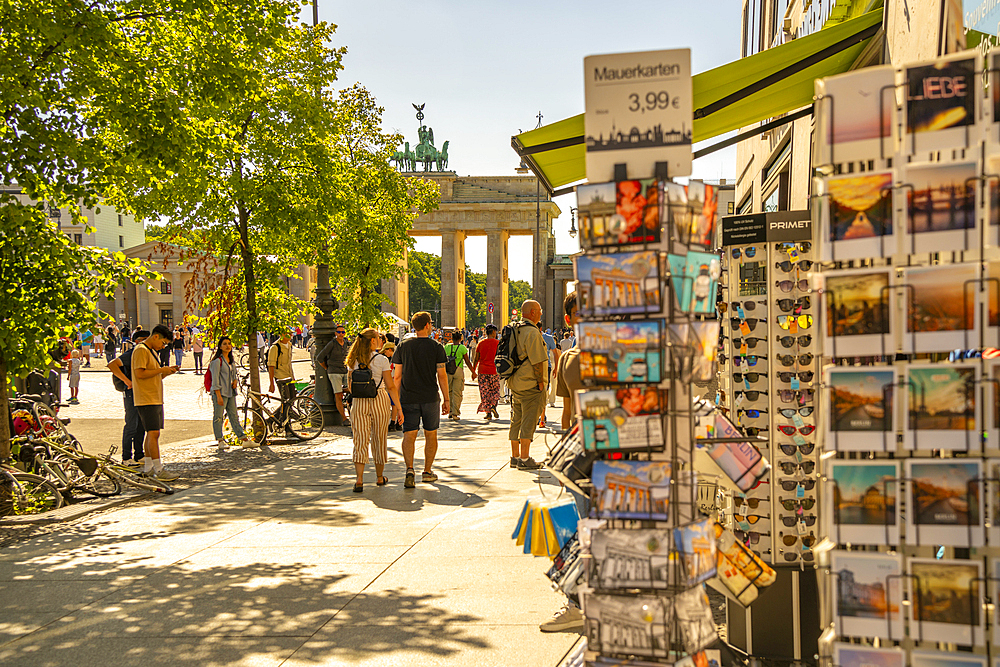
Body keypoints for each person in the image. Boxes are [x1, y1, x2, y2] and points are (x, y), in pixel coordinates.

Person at [391, 311, 449, 489]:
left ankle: (409, 469)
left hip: (408, 397)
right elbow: (442, 375)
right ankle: (427, 471)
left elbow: (397, 377)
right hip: (430, 397)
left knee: (409, 434)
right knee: (431, 435)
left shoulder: (403, 346)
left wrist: (397, 404)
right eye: (430, 323)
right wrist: (447, 399)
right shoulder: (436, 346)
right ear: (427, 325)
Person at [347, 329, 403, 492]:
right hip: (379, 399)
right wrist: (399, 408)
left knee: (360, 439)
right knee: (379, 438)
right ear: (372, 341)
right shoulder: (382, 360)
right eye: (378, 338)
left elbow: (351, 386)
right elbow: (390, 386)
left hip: (359, 402)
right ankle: (379, 477)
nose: (380, 340)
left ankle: (359, 480)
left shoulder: (353, 360)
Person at [130, 324, 180, 481]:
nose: (163, 347)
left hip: (154, 397)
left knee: (151, 433)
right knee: (153, 433)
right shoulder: (141, 350)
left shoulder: (151, 352)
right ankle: (159, 469)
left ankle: (148, 468)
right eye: (163, 343)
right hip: (147, 398)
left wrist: (166, 372)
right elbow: (139, 373)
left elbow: (152, 375)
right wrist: (161, 370)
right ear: (156, 336)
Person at [507, 300, 548, 470]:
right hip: (530, 383)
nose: (541, 313)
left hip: (515, 382)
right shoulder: (532, 332)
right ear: (532, 312)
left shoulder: (514, 328)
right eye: (539, 310)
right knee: (529, 420)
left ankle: (515, 457)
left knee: (516, 419)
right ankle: (525, 458)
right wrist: (540, 382)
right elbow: (537, 361)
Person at [107, 329, 150, 466]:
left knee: (141, 425)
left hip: (141, 392)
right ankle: (126, 457)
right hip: (131, 393)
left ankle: (139, 454)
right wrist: (127, 381)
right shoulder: (131, 353)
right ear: (138, 341)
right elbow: (112, 365)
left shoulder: (145, 353)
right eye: (145, 339)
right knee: (131, 424)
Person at [208, 337, 250, 453]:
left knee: (234, 416)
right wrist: (218, 395)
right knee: (218, 417)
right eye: (225, 344)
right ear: (220, 346)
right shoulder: (217, 361)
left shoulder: (231, 361)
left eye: (229, 344)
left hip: (230, 392)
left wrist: (235, 380)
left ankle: (243, 438)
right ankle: (220, 440)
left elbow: (233, 375)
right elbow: (215, 380)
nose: (228, 346)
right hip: (220, 393)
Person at [553, 293, 582, 431]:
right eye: (579, 313)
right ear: (568, 319)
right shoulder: (565, 360)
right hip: (580, 444)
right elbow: (567, 412)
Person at [316, 324, 351, 427]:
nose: (341, 334)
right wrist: (327, 368)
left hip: (345, 371)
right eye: (339, 332)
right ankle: (344, 418)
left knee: (351, 389)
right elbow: (320, 357)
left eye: (343, 332)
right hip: (334, 372)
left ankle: (350, 412)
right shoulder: (332, 344)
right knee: (338, 395)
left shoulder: (347, 344)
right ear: (336, 333)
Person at [267, 330, 296, 432]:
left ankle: (271, 419)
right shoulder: (275, 347)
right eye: (288, 333)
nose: (291, 335)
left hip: (289, 376)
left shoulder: (289, 345)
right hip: (280, 377)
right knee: (286, 401)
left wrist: (293, 378)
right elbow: (271, 365)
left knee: (291, 400)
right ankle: (287, 428)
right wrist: (271, 383)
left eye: (291, 333)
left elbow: (289, 363)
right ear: (282, 334)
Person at [471, 324, 501, 421]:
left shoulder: (481, 343)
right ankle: (493, 405)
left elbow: (476, 358)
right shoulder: (498, 343)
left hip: (482, 371)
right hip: (494, 371)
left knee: (485, 392)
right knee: (495, 390)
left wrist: (473, 371)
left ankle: (488, 413)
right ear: (493, 332)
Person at [443, 331, 472, 421]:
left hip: (448, 371)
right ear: (460, 338)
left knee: (449, 391)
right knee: (457, 393)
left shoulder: (447, 347)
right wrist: (473, 372)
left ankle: (450, 411)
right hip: (458, 370)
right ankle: (455, 413)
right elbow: (467, 361)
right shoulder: (462, 348)